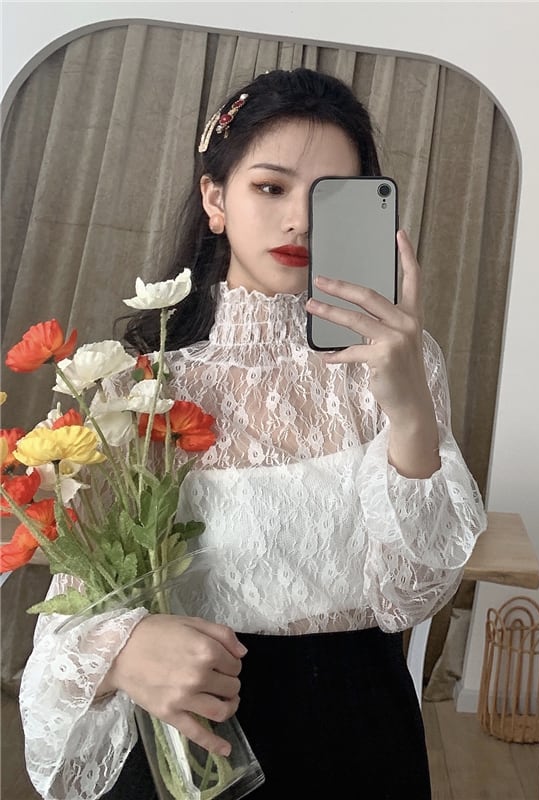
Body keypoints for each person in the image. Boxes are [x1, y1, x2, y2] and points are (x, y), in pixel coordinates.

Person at [19, 68, 487, 800]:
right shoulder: (135, 387)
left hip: (356, 734)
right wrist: (122, 651)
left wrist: (406, 405)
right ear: (216, 199)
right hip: (185, 734)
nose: (300, 220)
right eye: (270, 187)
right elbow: (73, 614)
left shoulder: (402, 361)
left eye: (328, 196)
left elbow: (412, 594)